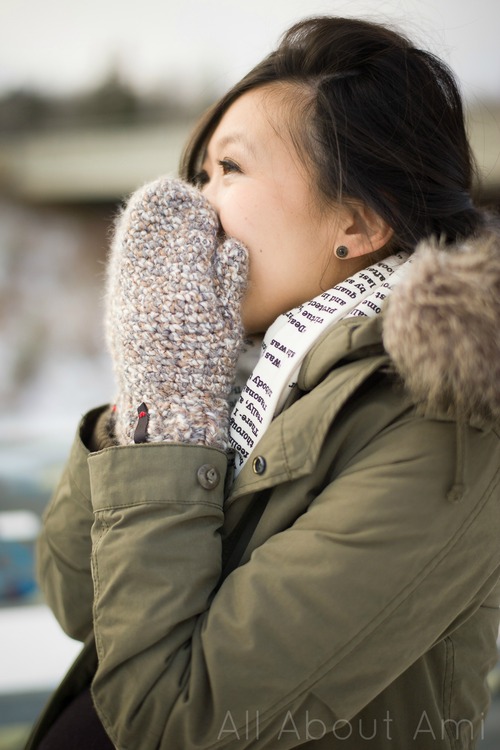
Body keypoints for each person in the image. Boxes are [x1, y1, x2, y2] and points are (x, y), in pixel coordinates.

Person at [27, 15, 500, 750]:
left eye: (232, 170)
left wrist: (174, 419)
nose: (190, 206)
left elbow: (172, 719)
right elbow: (73, 596)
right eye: (200, 173)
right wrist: (150, 408)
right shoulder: (232, 367)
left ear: (360, 220)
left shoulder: (443, 425)